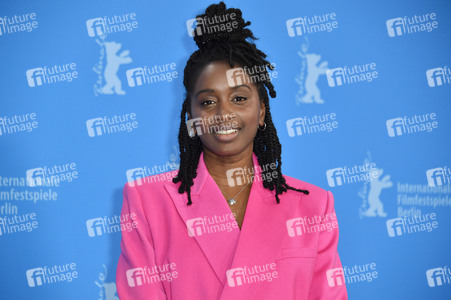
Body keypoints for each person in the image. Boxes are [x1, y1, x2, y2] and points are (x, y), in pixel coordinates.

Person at [116, 2, 348, 299]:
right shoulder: (146, 202)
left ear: (262, 111)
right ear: (191, 115)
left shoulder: (313, 207)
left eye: (239, 98)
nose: (224, 113)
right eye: (208, 102)